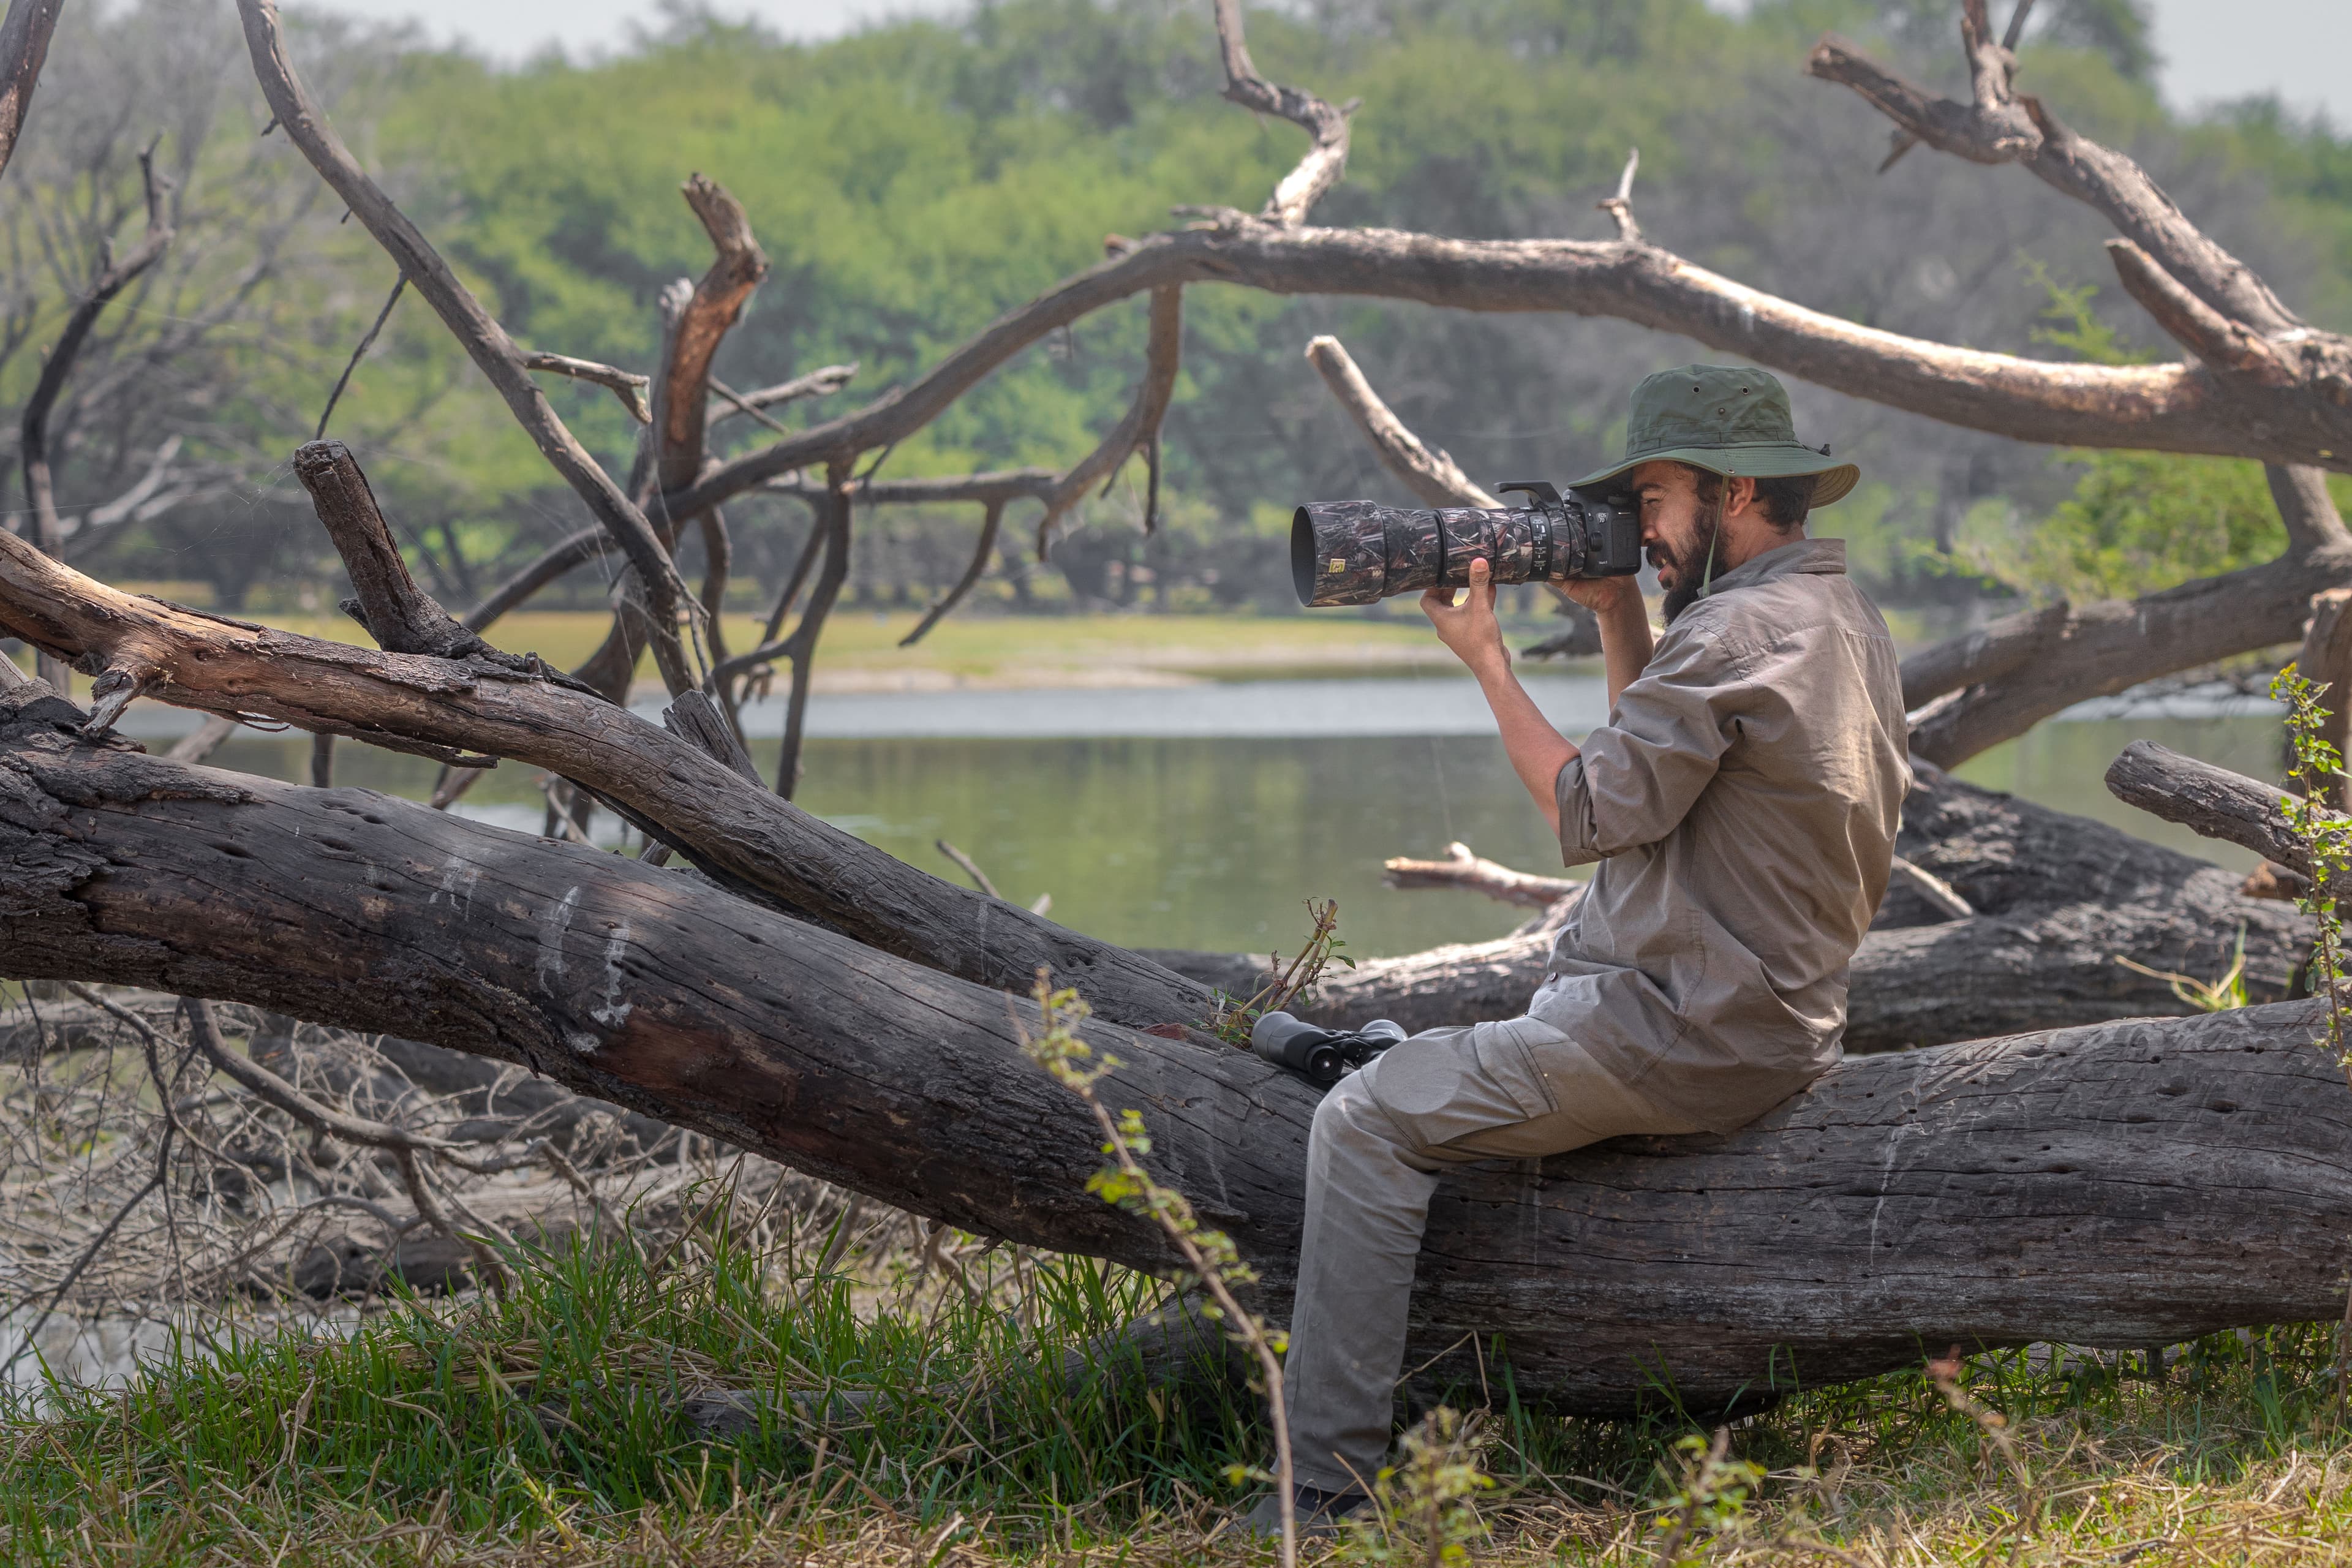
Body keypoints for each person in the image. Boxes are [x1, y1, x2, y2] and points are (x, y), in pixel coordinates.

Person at [1249, 364, 1910, 1534]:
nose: (1641, 529)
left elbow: (1591, 812)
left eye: (1654, 500)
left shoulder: (1734, 626)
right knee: (1446, 1053)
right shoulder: (1830, 614)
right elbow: (1655, 788)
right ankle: (1401, 1053)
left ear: (1738, 492)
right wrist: (1617, 610)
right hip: (1758, 1015)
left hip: (1683, 1033)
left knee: (1361, 1126)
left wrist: (1489, 665)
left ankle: (1326, 1487)